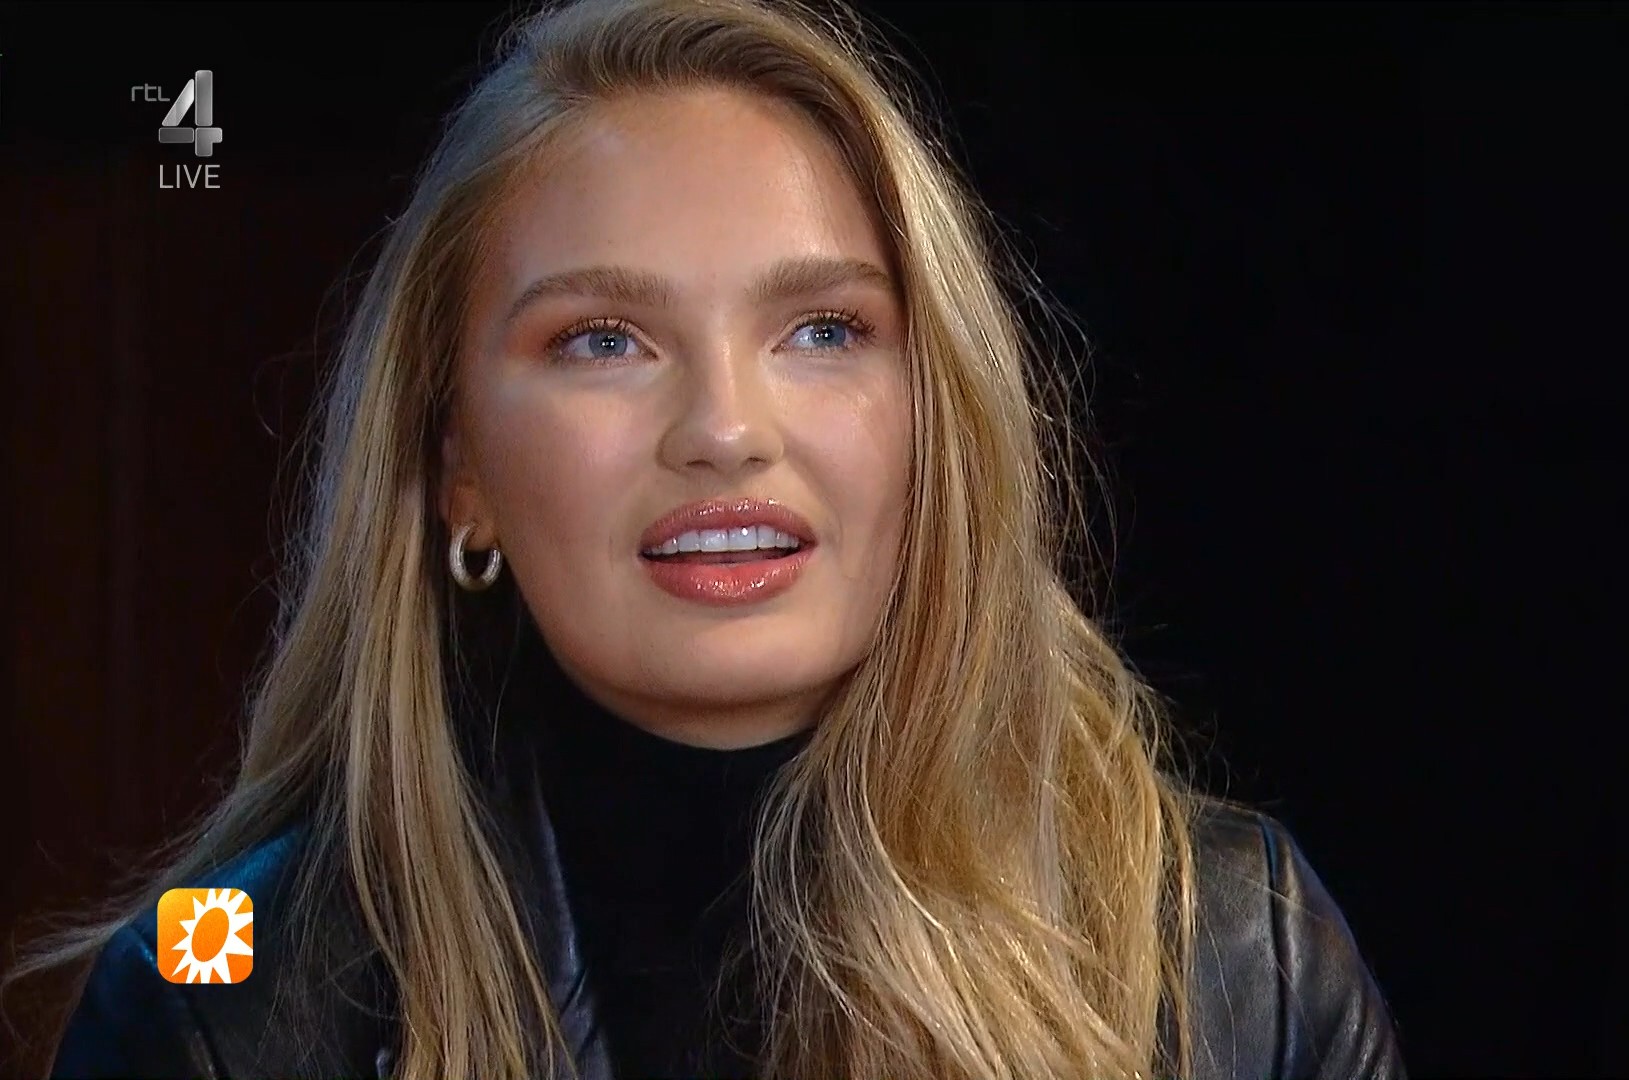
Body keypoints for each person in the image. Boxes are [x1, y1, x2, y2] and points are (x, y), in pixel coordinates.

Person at [13, 0, 1404, 1076]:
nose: (725, 429)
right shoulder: (222, 998)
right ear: (457, 471)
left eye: (824, 330)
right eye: (603, 340)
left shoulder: (1236, 955)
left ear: (940, 421)